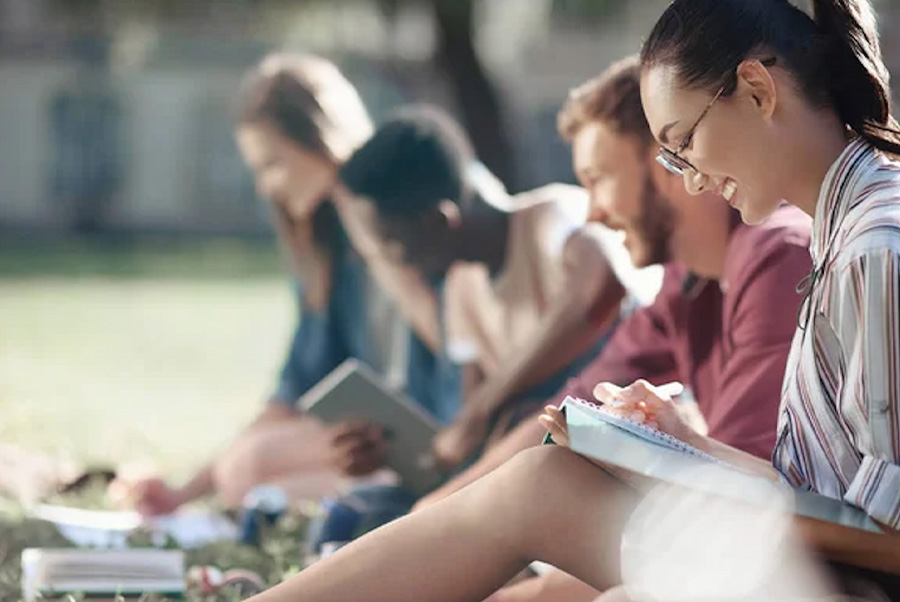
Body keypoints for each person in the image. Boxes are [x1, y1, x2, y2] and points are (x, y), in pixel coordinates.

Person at [235, 0, 900, 599]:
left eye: (683, 145)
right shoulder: (843, 232)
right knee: (544, 486)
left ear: (756, 90)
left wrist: (692, 481)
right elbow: (828, 494)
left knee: (542, 497)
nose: (693, 183)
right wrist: (681, 445)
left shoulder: (874, 245)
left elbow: (888, 535)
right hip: (811, 571)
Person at [130, 54, 455, 515]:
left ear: (322, 138)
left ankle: (393, 499)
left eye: (274, 164)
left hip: (441, 433)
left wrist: (368, 229)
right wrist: (184, 493)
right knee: (242, 470)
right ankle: (367, 499)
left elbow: (453, 346)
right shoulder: (326, 249)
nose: (266, 187)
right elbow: (293, 392)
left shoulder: (410, 214)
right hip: (372, 439)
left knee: (250, 468)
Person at [335, 106, 657, 470]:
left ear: (438, 220)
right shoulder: (461, 287)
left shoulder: (552, 216)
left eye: (389, 242)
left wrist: (484, 408)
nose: (389, 261)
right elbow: (476, 426)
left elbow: (600, 287)